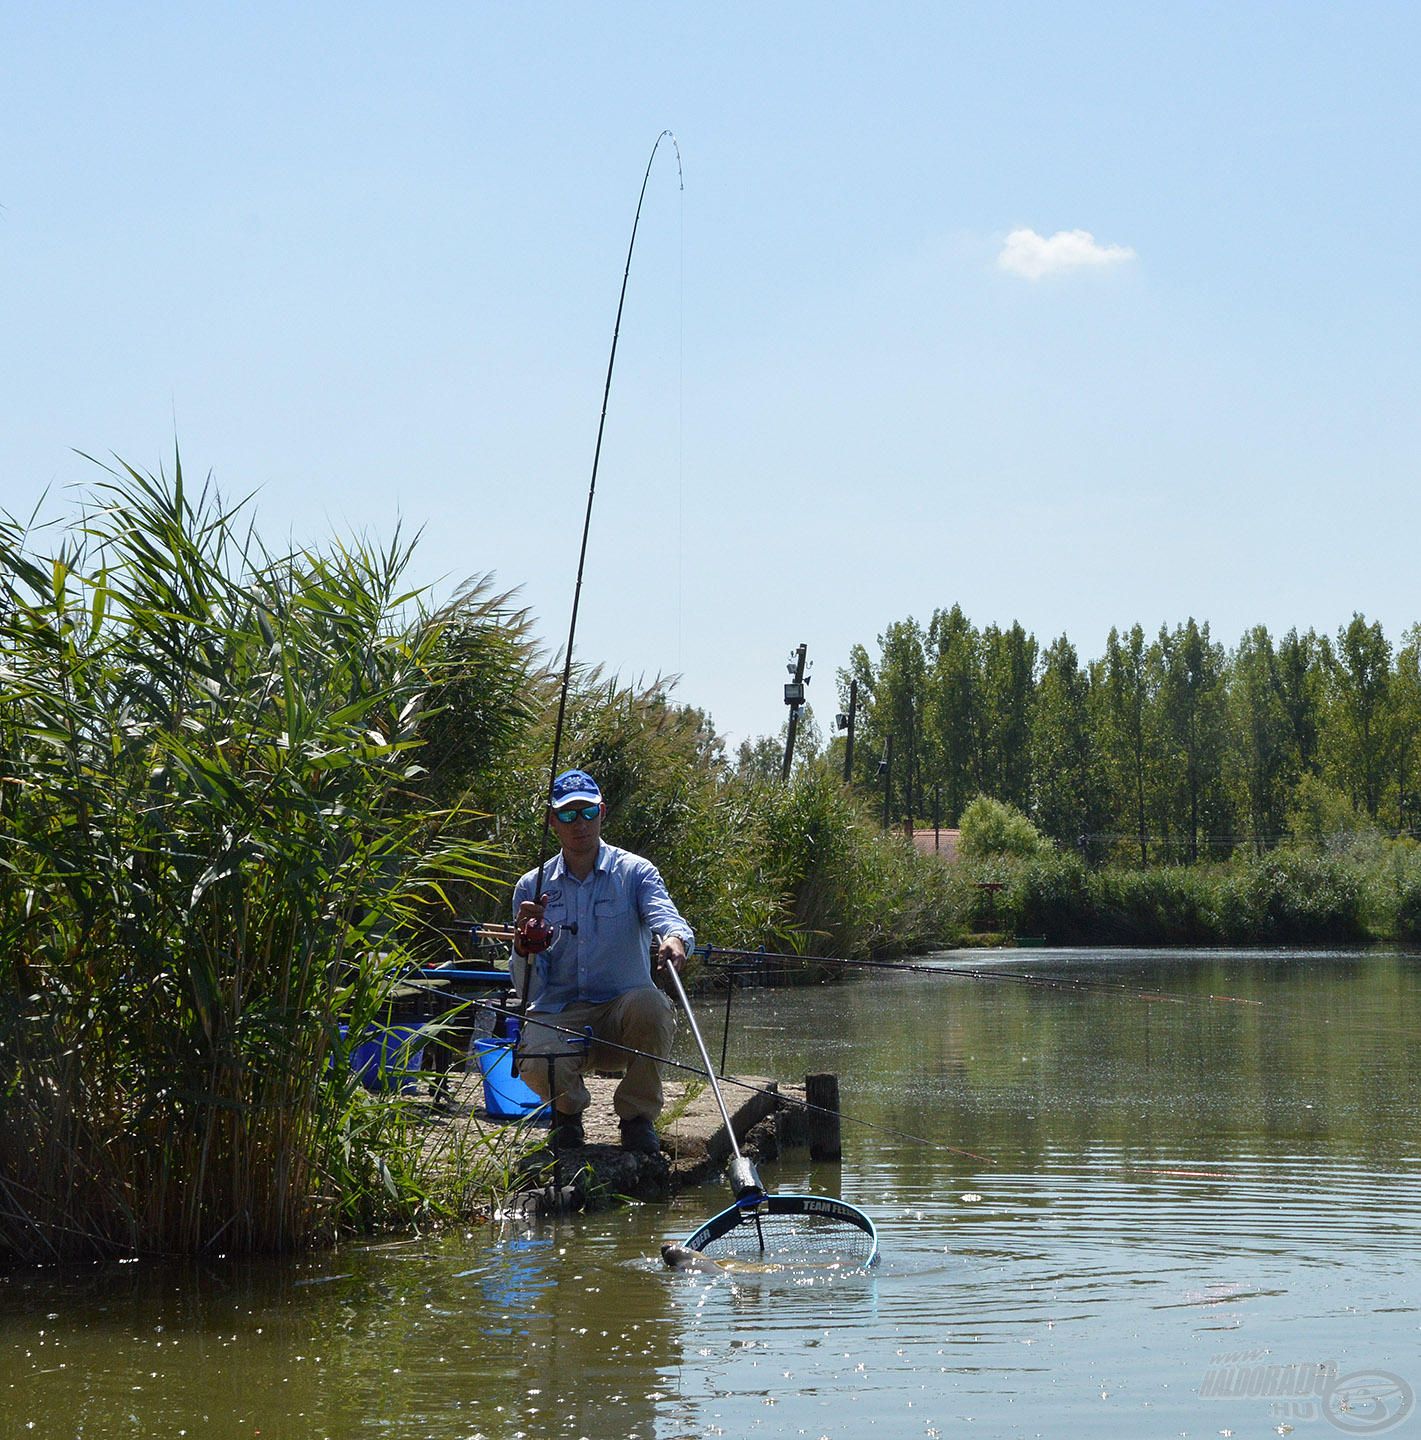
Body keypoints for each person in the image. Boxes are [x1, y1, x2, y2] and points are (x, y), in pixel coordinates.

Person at [510, 768, 692, 1154]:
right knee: (534, 1051)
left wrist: (675, 941)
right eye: (569, 814)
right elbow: (529, 987)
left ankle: (637, 1119)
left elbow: (667, 917)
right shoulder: (531, 887)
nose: (581, 824)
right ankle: (567, 1114)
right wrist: (524, 948)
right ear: (552, 820)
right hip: (561, 1014)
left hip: (619, 1019)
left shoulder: (636, 872)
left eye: (588, 813)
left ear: (602, 813)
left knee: (652, 1005)